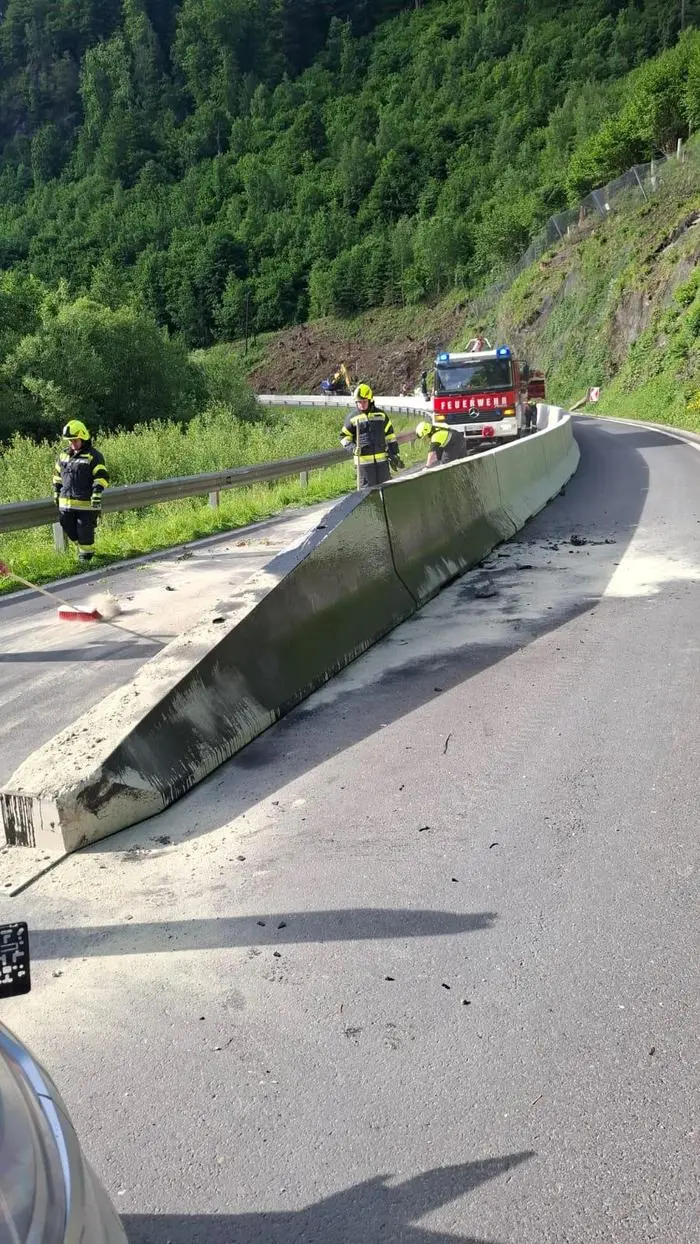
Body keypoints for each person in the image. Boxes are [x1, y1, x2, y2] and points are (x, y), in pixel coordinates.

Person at [52, 420, 109, 562]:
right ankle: (84, 553)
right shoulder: (63, 456)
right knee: (68, 527)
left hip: (86, 505)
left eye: (75, 440)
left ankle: (86, 560)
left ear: (83, 437)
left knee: (84, 532)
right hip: (66, 505)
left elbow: (101, 476)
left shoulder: (93, 456)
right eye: (70, 441)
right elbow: (57, 477)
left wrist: (96, 493)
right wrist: (56, 491)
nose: (72, 443)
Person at [341, 383, 403, 488]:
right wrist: (353, 448)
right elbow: (344, 437)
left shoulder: (381, 415)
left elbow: (390, 436)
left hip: (382, 463)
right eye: (359, 402)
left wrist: (394, 454)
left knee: (385, 490)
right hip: (364, 464)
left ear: (370, 400)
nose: (361, 404)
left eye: (364, 402)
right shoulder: (352, 418)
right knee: (367, 494)